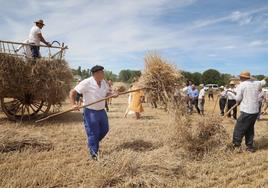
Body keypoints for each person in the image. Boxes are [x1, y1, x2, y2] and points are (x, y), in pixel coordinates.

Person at [69, 65, 118, 160]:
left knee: (105, 129)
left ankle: (92, 143)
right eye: (101, 72)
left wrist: (113, 95)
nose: (103, 74)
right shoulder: (87, 82)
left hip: (101, 111)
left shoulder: (103, 82)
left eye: (103, 72)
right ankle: (94, 154)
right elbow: (72, 92)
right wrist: (74, 104)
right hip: (90, 111)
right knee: (93, 132)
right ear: (95, 74)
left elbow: (107, 94)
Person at [232, 71, 267, 152]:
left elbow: (237, 99)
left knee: (239, 128)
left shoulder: (242, 85)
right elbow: (264, 82)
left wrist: (237, 99)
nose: (239, 78)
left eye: (240, 77)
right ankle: (250, 147)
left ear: (243, 77)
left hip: (246, 110)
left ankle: (236, 146)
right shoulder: (256, 83)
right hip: (255, 111)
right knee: (249, 128)